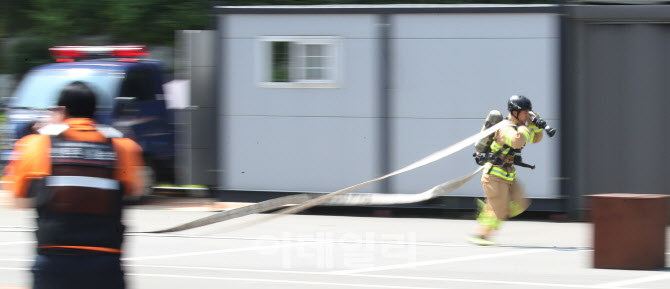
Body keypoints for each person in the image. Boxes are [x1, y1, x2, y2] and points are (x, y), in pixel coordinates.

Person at [2, 81, 144, 289]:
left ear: (62, 110)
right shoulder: (122, 147)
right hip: (105, 262)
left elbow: (16, 199)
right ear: (94, 112)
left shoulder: (36, 144)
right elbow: (135, 190)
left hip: (54, 261)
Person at [469, 95, 544, 246]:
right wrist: (524, 128)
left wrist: (534, 124)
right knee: (498, 212)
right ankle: (480, 235)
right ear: (515, 112)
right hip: (494, 176)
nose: (526, 115)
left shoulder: (519, 127)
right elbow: (517, 141)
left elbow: (536, 138)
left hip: (508, 175)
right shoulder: (505, 128)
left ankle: (490, 208)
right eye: (524, 112)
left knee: (520, 203)